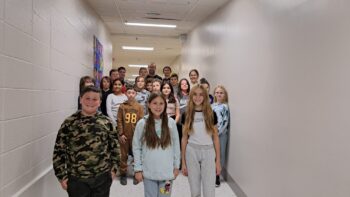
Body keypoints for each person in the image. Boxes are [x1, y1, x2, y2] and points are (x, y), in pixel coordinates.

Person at [53, 86, 120, 197]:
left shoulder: (106, 122)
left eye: (95, 99)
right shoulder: (69, 123)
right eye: (87, 98)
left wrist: (113, 170)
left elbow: (115, 148)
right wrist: (61, 176)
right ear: (80, 99)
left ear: (99, 102)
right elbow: (59, 150)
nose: (90, 102)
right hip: (76, 178)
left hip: (102, 177)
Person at [133, 93, 181, 197]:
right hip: (149, 173)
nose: (158, 106)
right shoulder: (142, 123)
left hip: (167, 174)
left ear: (165, 105)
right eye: (155, 103)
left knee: (165, 194)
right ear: (149, 105)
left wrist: (177, 166)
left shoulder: (171, 123)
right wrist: (138, 169)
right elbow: (136, 147)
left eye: (161, 103)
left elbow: (176, 146)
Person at [181, 84, 221, 197]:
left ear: (205, 97)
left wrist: (218, 161)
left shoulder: (211, 114)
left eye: (201, 95)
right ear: (191, 96)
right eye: (195, 94)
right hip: (191, 151)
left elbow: (216, 138)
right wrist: (183, 161)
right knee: (194, 190)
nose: (197, 97)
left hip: (208, 151)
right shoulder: (186, 114)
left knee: (209, 190)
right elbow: (184, 138)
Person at [117, 85, 144, 186]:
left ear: (136, 94)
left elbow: (141, 122)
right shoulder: (122, 106)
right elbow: (119, 120)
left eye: (133, 93)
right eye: (129, 93)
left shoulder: (139, 107)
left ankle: (136, 174)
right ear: (125, 94)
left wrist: (140, 136)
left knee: (136, 156)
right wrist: (121, 134)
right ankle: (123, 174)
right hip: (124, 136)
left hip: (135, 136)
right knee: (123, 155)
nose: (131, 95)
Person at [212, 85, 230, 187]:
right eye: (217, 92)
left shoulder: (225, 106)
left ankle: (217, 176)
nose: (219, 94)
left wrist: (217, 133)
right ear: (214, 94)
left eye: (221, 93)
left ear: (224, 95)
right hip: (212, 134)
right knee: (213, 154)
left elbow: (225, 121)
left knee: (220, 154)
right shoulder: (212, 105)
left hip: (221, 135)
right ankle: (211, 174)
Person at [176, 78, 191, 149]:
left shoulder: (191, 95)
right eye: (182, 84)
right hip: (180, 122)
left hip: (189, 121)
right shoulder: (177, 95)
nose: (184, 85)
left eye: (186, 83)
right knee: (180, 139)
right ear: (180, 86)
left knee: (188, 140)